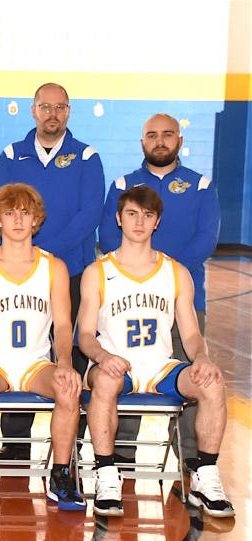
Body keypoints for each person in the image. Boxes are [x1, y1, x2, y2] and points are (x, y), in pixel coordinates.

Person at [78, 185, 233, 518]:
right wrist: (104, 357)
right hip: (117, 365)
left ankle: (205, 475)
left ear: (157, 222)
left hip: (161, 366)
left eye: (147, 215)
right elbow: (85, 336)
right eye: (132, 214)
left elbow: (190, 334)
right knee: (104, 382)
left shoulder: (176, 273)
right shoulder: (98, 272)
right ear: (119, 219)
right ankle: (106, 474)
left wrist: (202, 357)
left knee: (212, 382)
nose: (139, 222)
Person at [0, 83, 105, 461]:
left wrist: (47, 254)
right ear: (33, 110)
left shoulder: (87, 156)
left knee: (72, 346)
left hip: (70, 271)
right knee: (20, 346)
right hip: (20, 272)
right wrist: (25, 254)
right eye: (45, 107)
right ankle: (16, 443)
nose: (52, 114)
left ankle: (79, 440)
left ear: (68, 112)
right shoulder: (10, 155)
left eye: (59, 107)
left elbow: (90, 215)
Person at [98, 113, 221, 465]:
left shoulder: (200, 185)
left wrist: (163, 274)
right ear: (142, 143)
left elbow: (205, 240)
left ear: (180, 141)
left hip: (185, 298)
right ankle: (120, 453)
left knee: (190, 372)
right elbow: (108, 237)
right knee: (126, 368)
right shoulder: (124, 184)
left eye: (168, 134)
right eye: (152, 135)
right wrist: (142, 270)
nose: (160, 141)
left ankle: (193, 459)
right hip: (128, 298)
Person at [0, 183, 85, 512]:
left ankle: (61, 474)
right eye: (9, 213)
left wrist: (65, 363)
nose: (17, 220)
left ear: (36, 220)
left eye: (25, 213)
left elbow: (62, 324)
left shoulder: (53, 267)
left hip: (35, 363)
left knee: (68, 388)